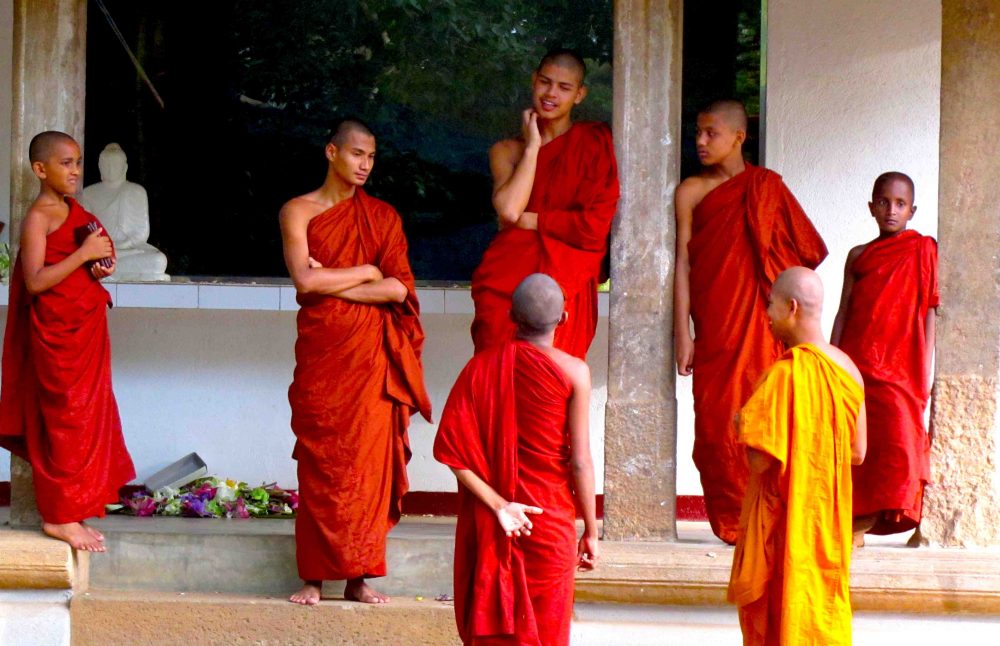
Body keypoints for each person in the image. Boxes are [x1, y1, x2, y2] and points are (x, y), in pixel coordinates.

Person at [280, 118, 432, 606]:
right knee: (322, 462)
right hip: (325, 356)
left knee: (366, 470)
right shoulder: (297, 211)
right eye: (356, 154)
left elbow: (399, 287)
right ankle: (313, 577)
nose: (364, 165)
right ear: (331, 152)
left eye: (371, 157)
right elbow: (304, 282)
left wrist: (349, 277)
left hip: (371, 359)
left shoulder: (383, 217)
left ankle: (359, 577)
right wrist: (366, 272)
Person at [673, 99, 828, 544]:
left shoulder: (767, 188)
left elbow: (802, 259)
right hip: (716, 326)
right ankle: (734, 523)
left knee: (770, 417)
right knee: (717, 425)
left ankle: (773, 518)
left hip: (765, 328)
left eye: (711, 133)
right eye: (697, 132)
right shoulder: (692, 191)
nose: (700, 141)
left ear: (739, 137)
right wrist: (683, 331)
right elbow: (683, 262)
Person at [435, 273, 599, 646]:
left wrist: (500, 506)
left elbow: (450, 451)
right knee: (548, 630)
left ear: (511, 316)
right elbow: (580, 462)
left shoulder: (480, 369)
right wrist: (590, 530)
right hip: (551, 522)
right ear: (565, 318)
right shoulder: (576, 372)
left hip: (502, 523)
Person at [0, 130, 135, 552]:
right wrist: (82, 256)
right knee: (63, 421)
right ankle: (58, 518)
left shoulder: (75, 209)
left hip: (84, 330)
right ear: (40, 169)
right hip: (56, 338)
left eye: (77, 161)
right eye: (65, 163)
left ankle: (74, 509)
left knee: (87, 420)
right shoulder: (38, 216)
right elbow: (36, 281)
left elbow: (91, 259)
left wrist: (98, 264)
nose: (75, 170)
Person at [728, 267, 866, 646]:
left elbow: (760, 462)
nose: (767, 315)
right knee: (820, 606)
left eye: (770, 306)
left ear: (790, 308)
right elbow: (857, 452)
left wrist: (743, 424)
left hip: (786, 521)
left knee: (782, 611)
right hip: (828, 524)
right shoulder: (848, 370)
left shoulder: (783, 376)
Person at [471, 48, 619, 360]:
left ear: (579, 95)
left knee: (549, 389)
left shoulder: (593, 145)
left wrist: (535, 221)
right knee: (499, 381)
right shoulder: (508, 150)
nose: (551, 93)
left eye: (564, 88)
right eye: (545, 82)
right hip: (505, 287)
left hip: (564, 288)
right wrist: (534, 147)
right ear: (533, 81)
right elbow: (510, 210)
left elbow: (593, 228)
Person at [831, 172, 938, 547]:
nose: (891, 210)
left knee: (901, 444)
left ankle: (913, 517)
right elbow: (844, 310)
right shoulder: (858, 255)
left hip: (901, 365)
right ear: (871, 206)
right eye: (884, 202)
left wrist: (924, 364)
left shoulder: (923, 248)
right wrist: (832, 359)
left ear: (912, 210)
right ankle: (856, 521)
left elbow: (929, 311)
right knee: (859, 445)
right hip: (858, 360)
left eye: (900, 204)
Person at [80, 142, 168, 281]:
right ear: (99, 167)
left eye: (115, 165)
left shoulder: (135, 191)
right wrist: (103, 247)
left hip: (128, 249)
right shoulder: (89, 193)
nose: (110, 169)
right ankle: (106, 266)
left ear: (124, 168)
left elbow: (142, 233)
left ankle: (109, 268)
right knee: (80, 259)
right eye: (106, 165)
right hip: (99, 251)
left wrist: (123, 245)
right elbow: (85, 231)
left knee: (158, 260)